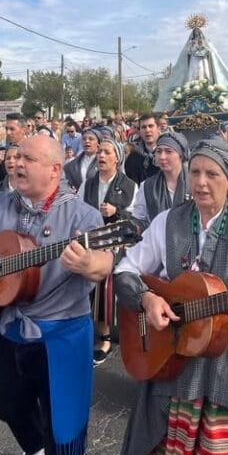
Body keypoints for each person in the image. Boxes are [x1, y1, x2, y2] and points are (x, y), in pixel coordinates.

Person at [114, 137, 228, 455]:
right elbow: (126, 269)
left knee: (224, 445)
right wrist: (146, 300)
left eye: (212, 174)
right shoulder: (168, 222)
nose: (200, 182)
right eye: (195, 172)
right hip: (173, 351)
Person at [0, 135, 114, 455]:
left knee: (65, 427)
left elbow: (103, 263)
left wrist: (89, 263)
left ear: (55, 169)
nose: (16, 163)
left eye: (28, 159)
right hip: (10, 328)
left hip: (62, 335)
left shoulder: (81, 215)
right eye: (16, 157)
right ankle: (35, 449)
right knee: (6, 402)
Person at [82, 137, 136, 365]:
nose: (101, 156)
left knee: (105, 285)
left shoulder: (130, 185)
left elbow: (135, 220)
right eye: (100, 152)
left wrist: (117, 211)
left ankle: (105, 338)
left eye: (107, 152)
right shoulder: (89, 183)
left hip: (117, 244)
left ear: (117, 158)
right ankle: (84, 331)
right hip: (90, 241)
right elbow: (78, 208)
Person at [131, 131, 189, 232]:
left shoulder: (194, 183)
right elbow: (140, 219)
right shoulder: (147, 186)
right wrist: (135, 227)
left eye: (168, 151)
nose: (162, 157)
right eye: (159, 151)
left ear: (180, 155)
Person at [63, 127, 101, 197]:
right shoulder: (71, 165)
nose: (87, 141)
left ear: (98, 143)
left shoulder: (103, 162)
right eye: (84, 139)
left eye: (91, 139)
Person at [125, 114, 161, 185]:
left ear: (158, 128)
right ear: (140, 131)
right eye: (143, 127)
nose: (147, 130)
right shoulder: (133, 157)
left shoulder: (167, 155)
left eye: (151, 126)